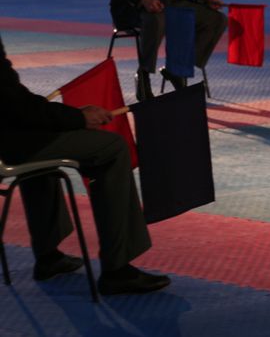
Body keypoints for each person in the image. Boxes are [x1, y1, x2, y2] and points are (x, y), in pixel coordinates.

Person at [0, 35, 170, 295]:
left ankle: (49, 256)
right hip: (9, 142)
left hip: (11, 135)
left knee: (39, 142)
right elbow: (17, 106)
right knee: (113, 148)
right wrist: (78, 117)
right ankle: (117, 269)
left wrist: (66, 116)